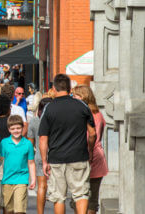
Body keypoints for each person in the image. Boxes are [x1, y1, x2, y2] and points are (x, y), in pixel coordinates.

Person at [38, 74, 97, 214]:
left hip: (56, 158)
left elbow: (43, 138)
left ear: (54, 88)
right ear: (70, 89)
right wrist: (90, 150)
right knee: (81, 193)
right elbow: (92, 133)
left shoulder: (49, 108)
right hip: (79, 155)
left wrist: (44, 161)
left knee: (59, 197)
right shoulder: (82, 106)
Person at [72, 85, 108, 214]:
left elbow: (91, 136)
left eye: (75, 95)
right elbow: (100, 133)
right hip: (98, 156)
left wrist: (90, 151)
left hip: (84, 155)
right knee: (93, 197)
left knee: (79, 196)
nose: (73, 98)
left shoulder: (82, 114)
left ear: (83, 97)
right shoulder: (98, 114)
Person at [1, 115, 36, 214]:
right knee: (9, 210)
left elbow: (31, 162)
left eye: (18, 128)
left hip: (21, 179)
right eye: (13, 129)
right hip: (7, 180)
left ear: (22, 128)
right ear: (9, 130)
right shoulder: (4, 143)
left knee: (19, 210)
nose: (16, 131)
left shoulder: (28, 144)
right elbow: (0, 160)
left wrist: (33, 179)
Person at [27, 97, 53, 214]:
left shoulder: (34, 121)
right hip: (55, 155)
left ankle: (40, 212)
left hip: (39, 155)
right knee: (58, 190)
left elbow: (30, 143)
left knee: (41, 187)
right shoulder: (55, 120)